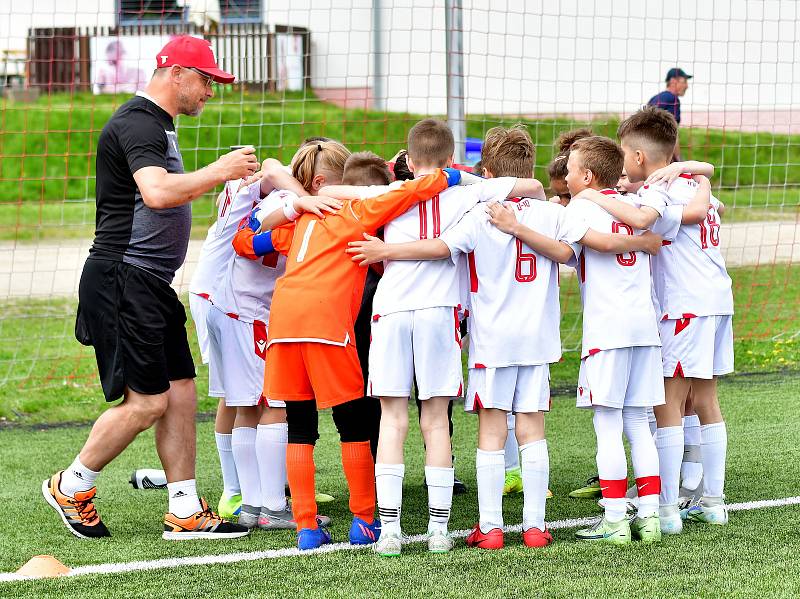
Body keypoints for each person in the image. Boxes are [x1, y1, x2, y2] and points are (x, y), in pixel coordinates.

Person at [42, 36, 258, 540]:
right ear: (177, 73)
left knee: (182, 391)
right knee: (148, 403)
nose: (210, 92)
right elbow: (157, 192)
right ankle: (72, 483)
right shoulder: (138, 122)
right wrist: (219, 171)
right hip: (123, 277)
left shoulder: (159, 125)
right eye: (206, 81)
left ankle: (184, 508)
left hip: (150, 283)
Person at [236, 151, 466, 550]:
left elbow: (245, 241)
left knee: (300, 425)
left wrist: (287, 207)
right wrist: (453, 176)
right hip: (327, 328)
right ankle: (364, 520)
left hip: (284, 325)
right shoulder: (357, 215)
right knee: (353, 424)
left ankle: (306, 528)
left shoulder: (300, 221)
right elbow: (409, 192)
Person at [364, 120, 547, 556]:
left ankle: (390, 532)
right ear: (450, 159)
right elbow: (534, 186)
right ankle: (438, 531)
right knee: (434, 419)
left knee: (393, 419)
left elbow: (335, 195)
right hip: (440, 312)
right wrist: (455, 176)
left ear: (407, 160)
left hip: (390, 310)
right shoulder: (469, 193)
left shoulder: (387, 196)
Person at [584, 106, 733, 532]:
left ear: (637, 156)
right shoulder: (694, 183)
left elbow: (641, 218)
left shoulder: (661, 193)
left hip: (683, 306)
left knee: (667, 404)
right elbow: (701, 185)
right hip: (716, 300)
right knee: (705, 400)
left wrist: (592, 196)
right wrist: (694, 170)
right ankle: (713, 501)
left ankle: (667, 510)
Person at [562, 136, 667, 544]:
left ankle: (614, 520)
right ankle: (650, 518)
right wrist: (642, 241)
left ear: (587, 176)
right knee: (638, 421)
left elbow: (591, 246)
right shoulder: (633, 204)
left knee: (607, 423)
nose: (567, 178)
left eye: (570, 171)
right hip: (644, 327)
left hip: (607, 331)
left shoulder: (582, 205)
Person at [648, 67, 692, 161]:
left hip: (646, 151)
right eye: (684, 81)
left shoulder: (655, 98)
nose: (687, 86)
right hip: (662, 156)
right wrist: (679, 161)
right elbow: (672, 134)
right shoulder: (673, 99)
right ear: (673, 81)